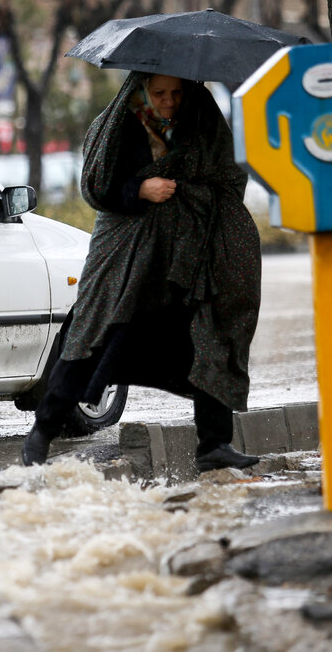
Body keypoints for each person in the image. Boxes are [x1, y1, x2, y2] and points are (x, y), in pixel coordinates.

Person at [22, 72, 262, 473]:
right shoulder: (116, 123)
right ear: (142, 89)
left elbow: (229, 177)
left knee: (211, 328)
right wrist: (140, 189)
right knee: (93, 327)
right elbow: (98, 188)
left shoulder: (202, 118)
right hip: (126, 242)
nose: (169, 101)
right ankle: (42, 432)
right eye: (160, 93)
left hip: (188, 245)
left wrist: (186, 193)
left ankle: (214, 445)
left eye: (177, 93)